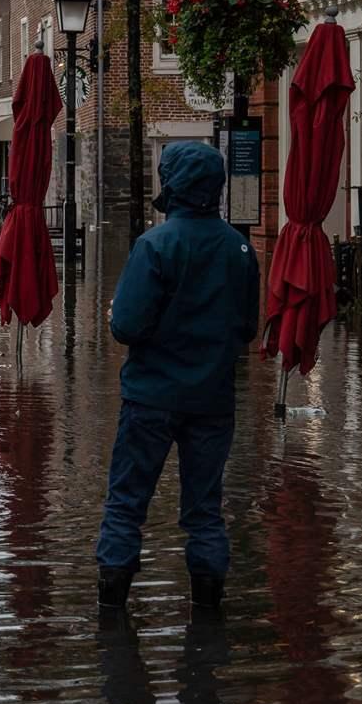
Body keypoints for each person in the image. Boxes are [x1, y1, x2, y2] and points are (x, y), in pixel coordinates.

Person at [98, 142, 259, 611]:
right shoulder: (241, 249)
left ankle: (113, 615)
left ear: (171, 184)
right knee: (205, 510)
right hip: (212, 399)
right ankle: (208, 616)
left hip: (151, 397)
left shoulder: (156, 245)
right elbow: (246, 327)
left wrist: (117, 317)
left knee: (127, 503)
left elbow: (126, 326)